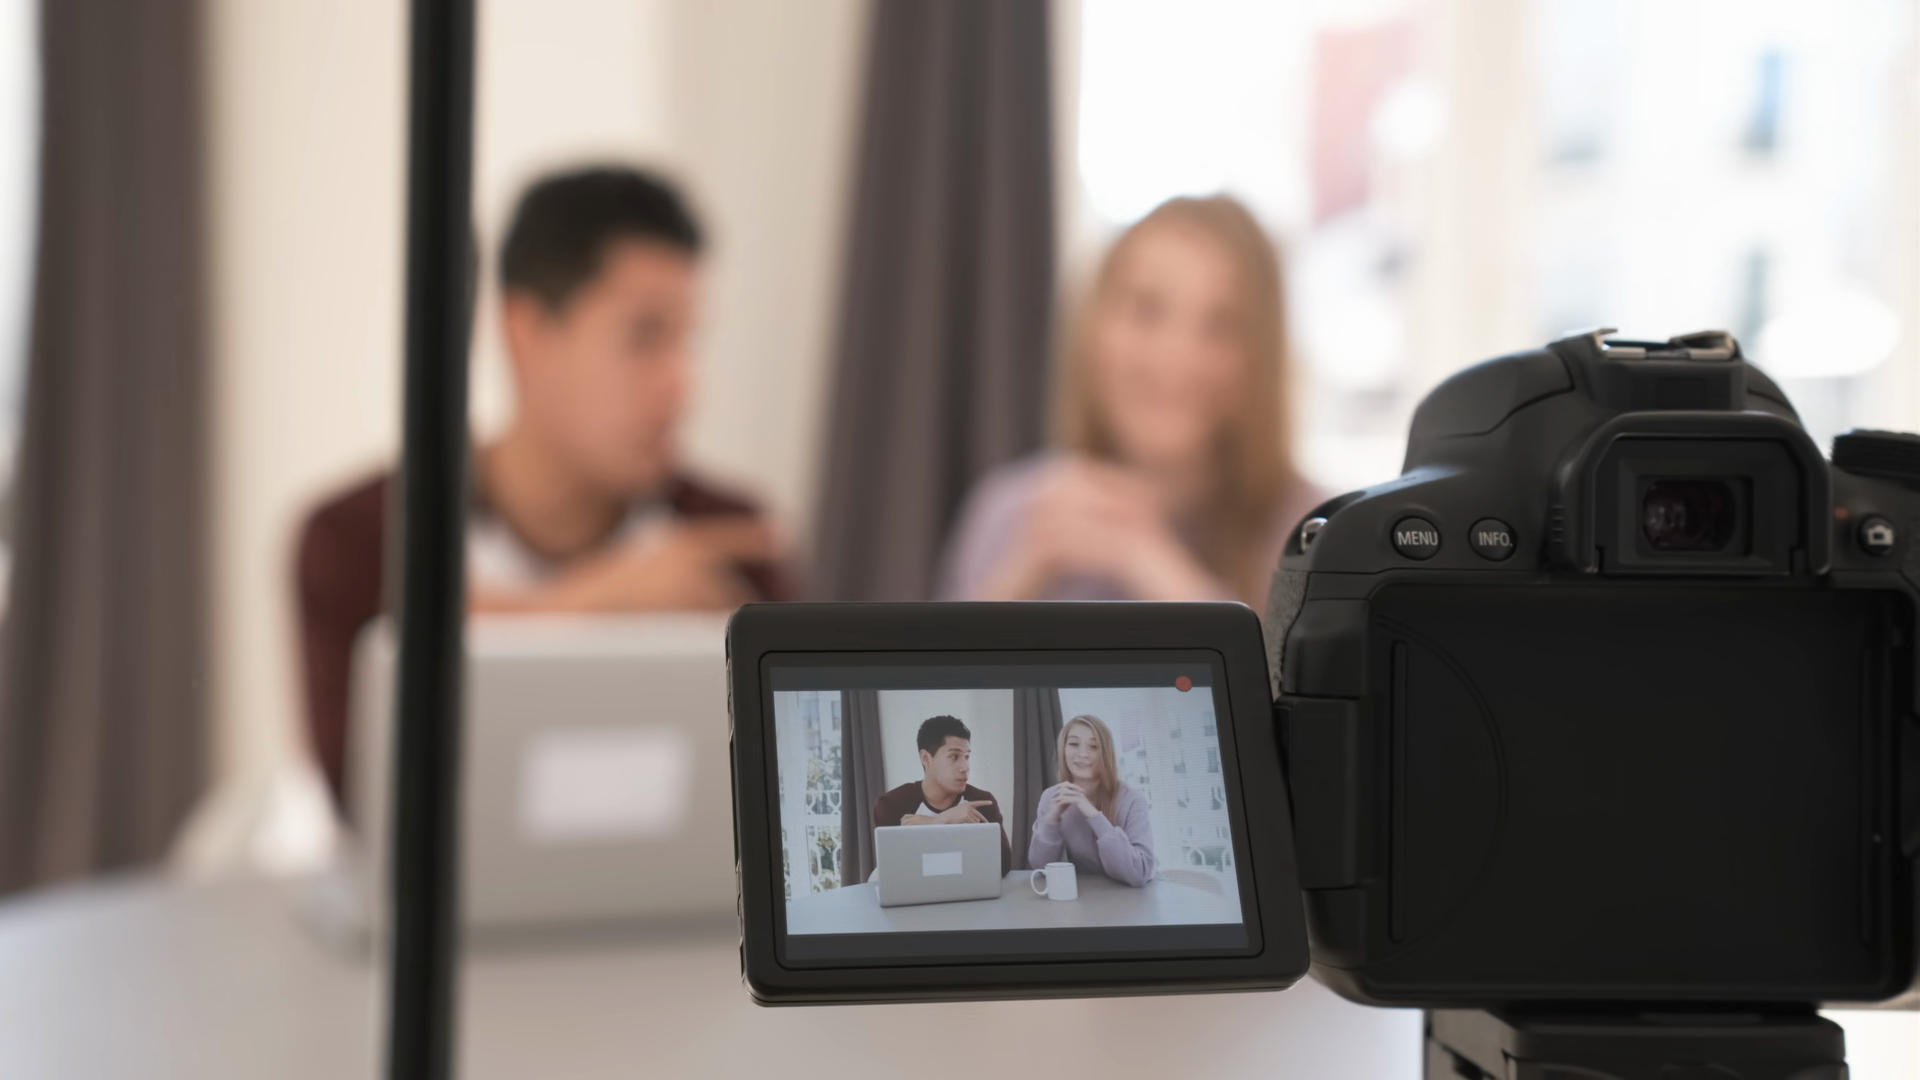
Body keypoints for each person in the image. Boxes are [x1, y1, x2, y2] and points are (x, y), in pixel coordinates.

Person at [297, 165, 794, 811]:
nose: (683, 383)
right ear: (526, 333)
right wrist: (599, 604)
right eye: (644, 336)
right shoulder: (361, 538)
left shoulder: (727, 539)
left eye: (687, 340)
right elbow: (361, 794)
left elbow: (793, 785)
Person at [939, 195, 1323, 607]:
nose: (1175, 356)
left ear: (1261, 356)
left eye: (1221, 325)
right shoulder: (1006, 515)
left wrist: (1154, 564)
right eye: (1146, 309)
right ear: (1093, 326)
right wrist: (1017, 581)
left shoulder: (1315, 533)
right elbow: (942, 653)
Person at [871, 715, 1013, 875]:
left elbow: (1003, 866)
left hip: (968, 889)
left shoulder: (982, 802)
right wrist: (942, 820)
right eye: (954, 756)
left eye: (967, 757)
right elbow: (895, 870)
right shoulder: (892, 804)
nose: (965, 767)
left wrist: (932, 824)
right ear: (926, 758)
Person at [1028, 714, 1156, 887]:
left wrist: (1092, 813)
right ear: (1063, 749)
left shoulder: (1132, 800)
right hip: (1087, 895)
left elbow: (1139, 873)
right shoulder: (1051, 797)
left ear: (1105, 753)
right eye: (1074, 744)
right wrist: (1052, 819)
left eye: (1094, 746)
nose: (1082, 754)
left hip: (1136, 896)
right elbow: (1041, 867)